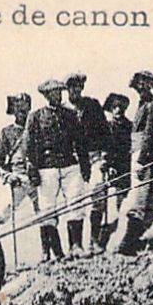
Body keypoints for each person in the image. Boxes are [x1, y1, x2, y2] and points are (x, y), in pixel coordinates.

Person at [22, 77, 90, 261]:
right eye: (53, 93)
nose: (57, 96)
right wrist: (32, 169)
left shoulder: (70, 114)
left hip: (70, 165)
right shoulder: (35, 117)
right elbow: (28, 146)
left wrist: (85, 165)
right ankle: (56, 253)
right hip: (47, 168)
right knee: (48, 209)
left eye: (59, 92)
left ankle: (76, 245)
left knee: (77, 201)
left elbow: (80, 141)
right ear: (46, 95)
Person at [115, 70, 153, 255]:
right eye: (138, 87)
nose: (141, 89)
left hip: (148, 154)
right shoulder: (144, 103)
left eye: (144, 85)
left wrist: (143, 160)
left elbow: (151, 134)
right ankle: (131, 240)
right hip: (140, 152)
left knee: (141, 197)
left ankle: (129, 243)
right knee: (143, 197)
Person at [64, 73, 111, 252]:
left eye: (78, 87)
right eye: (71, 87)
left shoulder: (92, 105)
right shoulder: (62, 110)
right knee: (75, 200)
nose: (75, 90)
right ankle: (75, 245)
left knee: (97, 194)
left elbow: (105, 132)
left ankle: (94, 240)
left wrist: (106, 155)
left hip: (94, 157)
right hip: (73, 162)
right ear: (66, 89)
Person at [0, 93, 37, 250]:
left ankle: (52, 254)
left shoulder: (37, 128)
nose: (22, 112)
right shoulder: (7, 133)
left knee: (47, 214)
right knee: (0, 213)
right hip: (17, 179)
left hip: (37, 177)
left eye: (25, 108)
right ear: (13, 110)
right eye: (18, 108)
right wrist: (8, 175)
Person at [101, 93, 134, 249]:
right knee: (104, 205)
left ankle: (123, 232)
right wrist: (107, 163)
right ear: (110, 109)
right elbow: (104, 147)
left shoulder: (129, 126)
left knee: (123, 202)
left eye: (121, 107)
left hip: (126, 166)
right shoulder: (107, 126)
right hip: (111, 167)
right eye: (115, 107)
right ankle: (103, 237)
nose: (118, 110)